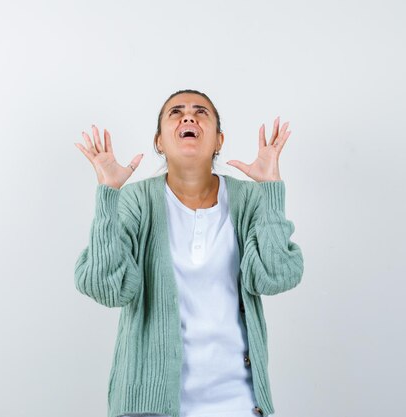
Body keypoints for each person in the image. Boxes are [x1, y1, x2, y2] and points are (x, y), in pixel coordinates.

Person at [73, 89, 304, 417]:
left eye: (201, 112)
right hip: (149, 406)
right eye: (176, 112)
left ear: (219, 140)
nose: (188, 117)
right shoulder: (136, 202)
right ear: (159, 142)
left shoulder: (248, 200)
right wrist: (108, 195)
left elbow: (276, 275)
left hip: (238, 403)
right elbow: (105, 287)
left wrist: (270, 188)